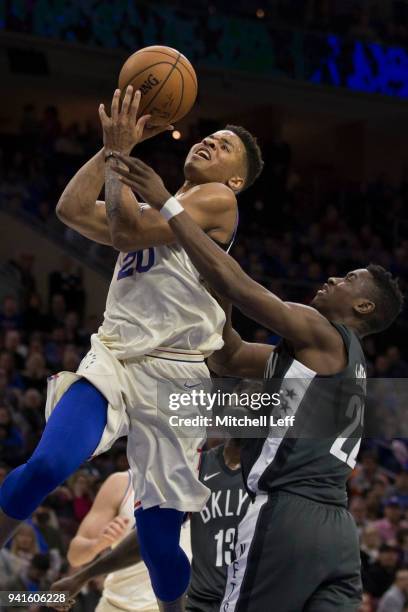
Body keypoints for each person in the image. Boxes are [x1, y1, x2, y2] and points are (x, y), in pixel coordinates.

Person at [0, 85, 263, 612]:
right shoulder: (148, 207)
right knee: (50, 464)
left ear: (236, 178)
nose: (209, 142)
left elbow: (124, 233)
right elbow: (71, 209)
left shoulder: (218, 201)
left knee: (160, 540)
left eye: (223, 145)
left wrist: (122, 157)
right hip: (117, 356)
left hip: (178, 376)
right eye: (208, 136)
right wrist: (108, 151)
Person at [112, 154, 404, 610]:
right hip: (338, 534)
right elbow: (227, 356)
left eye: (348, 279)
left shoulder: (322, 331)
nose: (332, 277)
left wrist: (170, 206)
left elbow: (243, 289)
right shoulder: (330, 362)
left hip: (286, 513)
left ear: (363, 308)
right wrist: (209, 286)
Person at [51, 439, 249, 612]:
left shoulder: (204, 478)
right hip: (119, 605)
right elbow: (75, 556)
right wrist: (98, 544)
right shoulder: (122, 483)